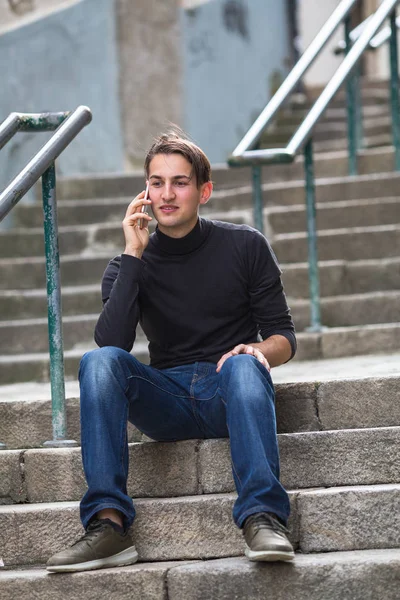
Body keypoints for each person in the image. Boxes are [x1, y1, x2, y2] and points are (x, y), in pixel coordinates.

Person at [47, 132, 297, 573]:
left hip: (230, 388)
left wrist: (255, 351)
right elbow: (112, 346)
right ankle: (107, 526)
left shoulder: (246, 246)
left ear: (204, 191)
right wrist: (133, 254)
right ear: (145, 191)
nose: (166, 194)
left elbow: (283, 338)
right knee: (97, 362)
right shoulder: (130, 263)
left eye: (179, 183)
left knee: (243, 364)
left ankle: (263, 516)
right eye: (156, 182)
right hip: (168, 398)